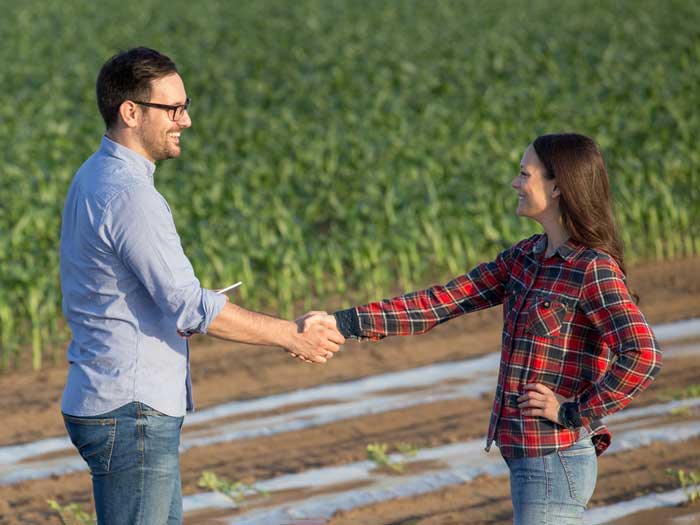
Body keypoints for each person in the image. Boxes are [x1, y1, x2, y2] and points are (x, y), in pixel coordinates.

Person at [59, 47, 343, 525]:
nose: (185, 121)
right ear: (131, 112)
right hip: (132, 411)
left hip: (114, 400)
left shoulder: (96, 176)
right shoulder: (130, 195)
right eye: (173, 108)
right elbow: (188, 306)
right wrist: (290, 335)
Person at [326, 133, 662, 524]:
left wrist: (574, 412)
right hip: (529, 458)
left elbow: (643, 354)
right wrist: (343, 322)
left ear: (557, 186)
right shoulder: (525, 258)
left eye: (524, 174)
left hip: (555, 459)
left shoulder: (591, 269)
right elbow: (442, 301)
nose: (515, 184)